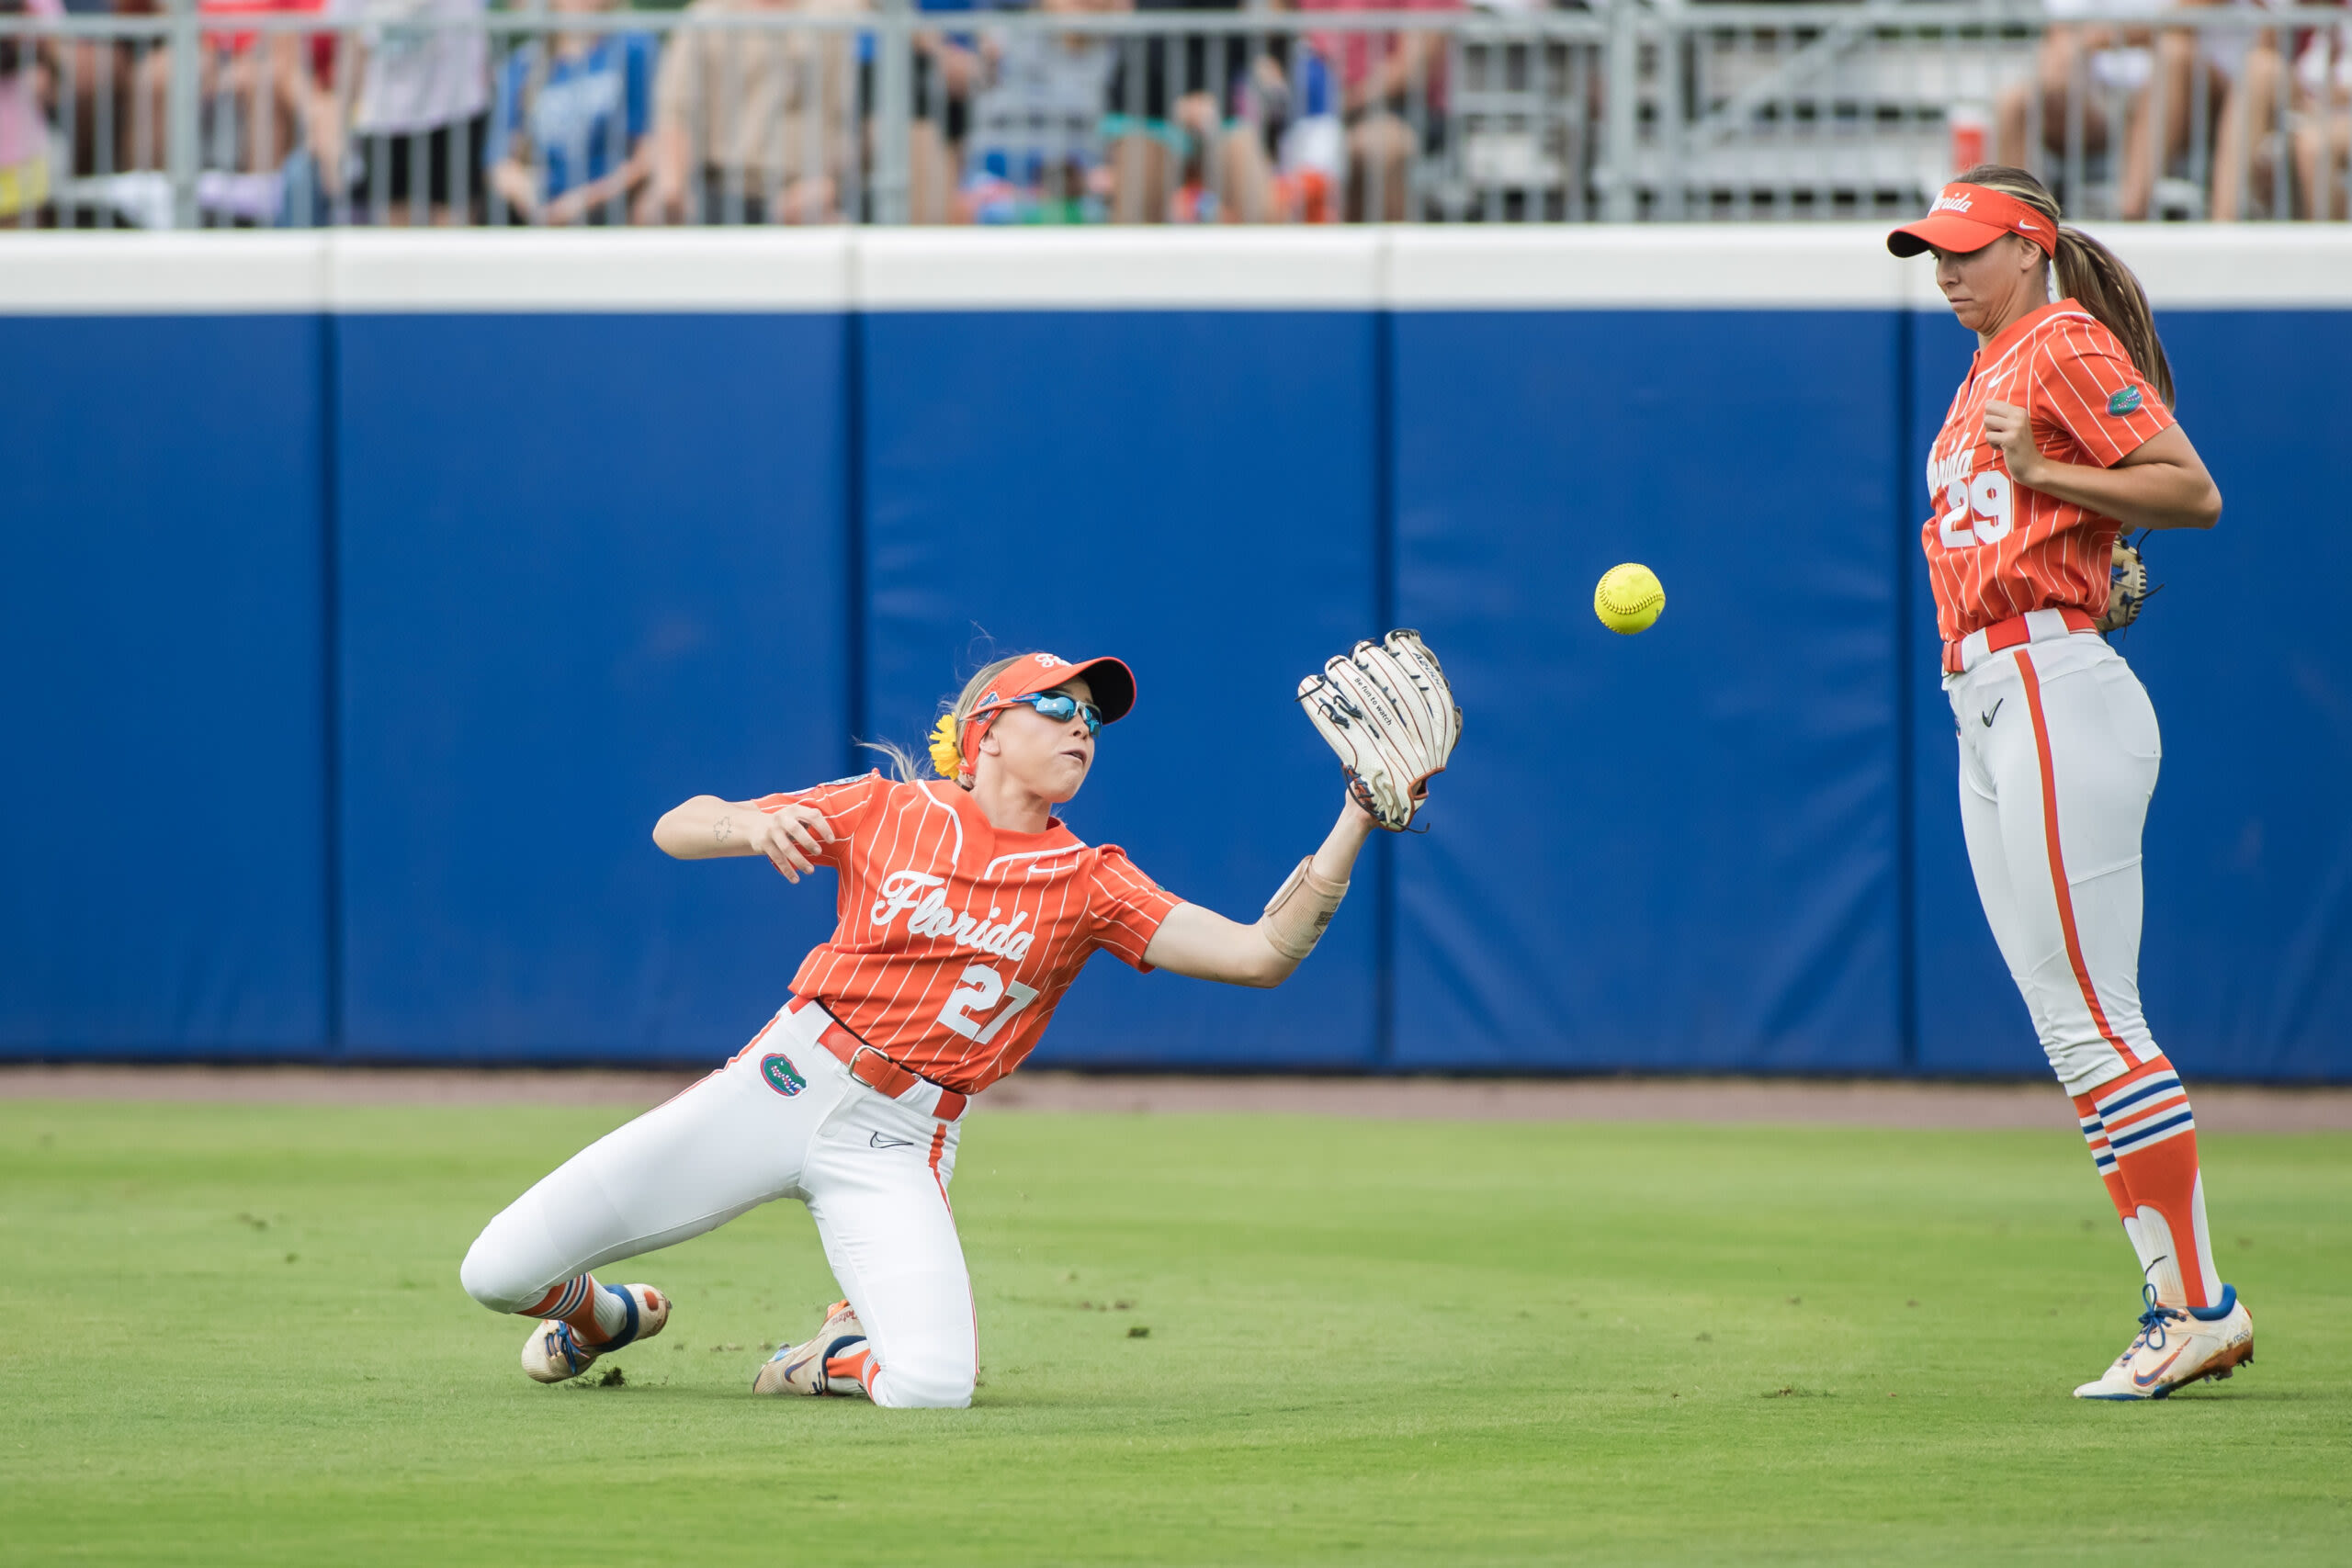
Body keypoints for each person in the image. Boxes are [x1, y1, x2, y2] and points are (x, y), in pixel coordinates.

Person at [457, 649, 1408, 1405]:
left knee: (930, 1387)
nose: (1084, 727)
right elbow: (678, 823)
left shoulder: (1092, 882)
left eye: (1094, 719)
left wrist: (1354, 819)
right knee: (495, 1271)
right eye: (1061, 708)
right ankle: (602, 1317)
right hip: (779, 1084)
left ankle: (832, 1355)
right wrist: (747, 828)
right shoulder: (886, 810)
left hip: (899, 1139)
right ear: (987, 731)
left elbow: (1261, 955)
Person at [1886, 168, 2247, 1402]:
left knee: (2096, 1016)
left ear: (2029, 249)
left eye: (1966, 249)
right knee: (2067, 1024)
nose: (1944, 270)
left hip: (2047, 683)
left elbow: (2190, 488)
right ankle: (2176, 1299)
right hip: (1988, 697)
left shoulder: (2058, 336)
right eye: (1932, 251)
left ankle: (2199, 1300)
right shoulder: (1987, 366)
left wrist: (2058, 483)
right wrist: (2075, 524)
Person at [641, 0, 863, 225]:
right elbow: (677, 112)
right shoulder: (707, 18)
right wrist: (672, 188)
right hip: (722, 191)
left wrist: (828, 186)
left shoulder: (833, 15)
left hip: (806, 195)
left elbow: (852, 116)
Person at [485, 0, 654, 225]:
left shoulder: (633, 49)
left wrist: (583, 200)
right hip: (543, 210)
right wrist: (528, 194)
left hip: (610, 208)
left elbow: (646, 155)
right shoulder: (524, 65)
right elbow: (499, 163)